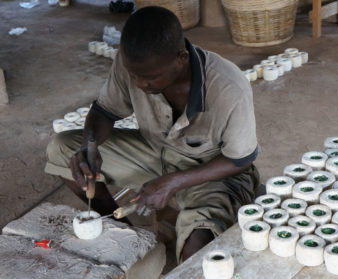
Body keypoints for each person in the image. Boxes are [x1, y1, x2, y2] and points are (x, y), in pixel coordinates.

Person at [45, 6, 259, 263]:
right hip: (155, 152)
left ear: (181, 58)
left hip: (209, 170)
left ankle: (187, 239)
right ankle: (124, 233)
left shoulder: (228, 86)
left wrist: (173, 182)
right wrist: (89, 147)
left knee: (199, 250)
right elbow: (104, 111)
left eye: (149, 77)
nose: (138, 84)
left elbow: (240, 160)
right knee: (63, 147)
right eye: (134, 75)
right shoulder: (132, 64)